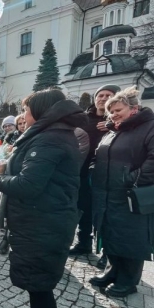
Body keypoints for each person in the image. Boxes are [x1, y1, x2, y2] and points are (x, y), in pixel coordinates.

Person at [0, 89, 87, 308]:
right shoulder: (51, 135)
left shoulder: (49, 139)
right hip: (42, 220)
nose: (23, 115)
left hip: (43, 223)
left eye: (26, 109)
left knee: (40, 287)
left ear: (41, 111)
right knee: (38, 285)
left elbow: (28, 184)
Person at [89, 86, 154, 298]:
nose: (114, 114)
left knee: (130, 238)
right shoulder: (114, 130)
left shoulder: (149, 127)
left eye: (118, 110)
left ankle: (128, 280)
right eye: (111, 111)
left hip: (130, 194)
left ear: (133, 108)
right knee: (111, 234)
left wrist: (131, 178)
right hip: (108, 192)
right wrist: (94, 168)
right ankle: (113, 271)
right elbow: (101, 156)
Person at [70, 85, 121, 271]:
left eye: (108, 95)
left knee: (103, 213)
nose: (103, 98)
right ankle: (83, 243)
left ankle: (107, 253)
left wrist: (111, 126)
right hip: (82, 171)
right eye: (100, 95)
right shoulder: (84, 118)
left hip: (106, 174)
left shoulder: (117, 119)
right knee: (83, 208)